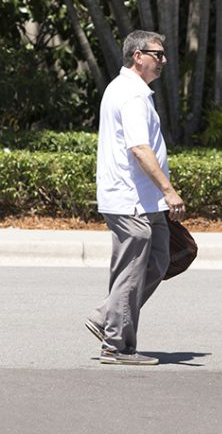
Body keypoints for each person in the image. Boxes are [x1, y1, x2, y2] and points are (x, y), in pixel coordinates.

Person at [85, 30, 186, 365]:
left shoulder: (134, 91)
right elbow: (139, 148)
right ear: (137, 55)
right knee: (132, 267)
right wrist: (169, 191)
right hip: (130, 198)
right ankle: (116, 345)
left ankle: (105, 317)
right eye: (158, 54)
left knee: (158, 260)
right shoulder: (130, 94)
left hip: (144, 199)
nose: (164, 61)